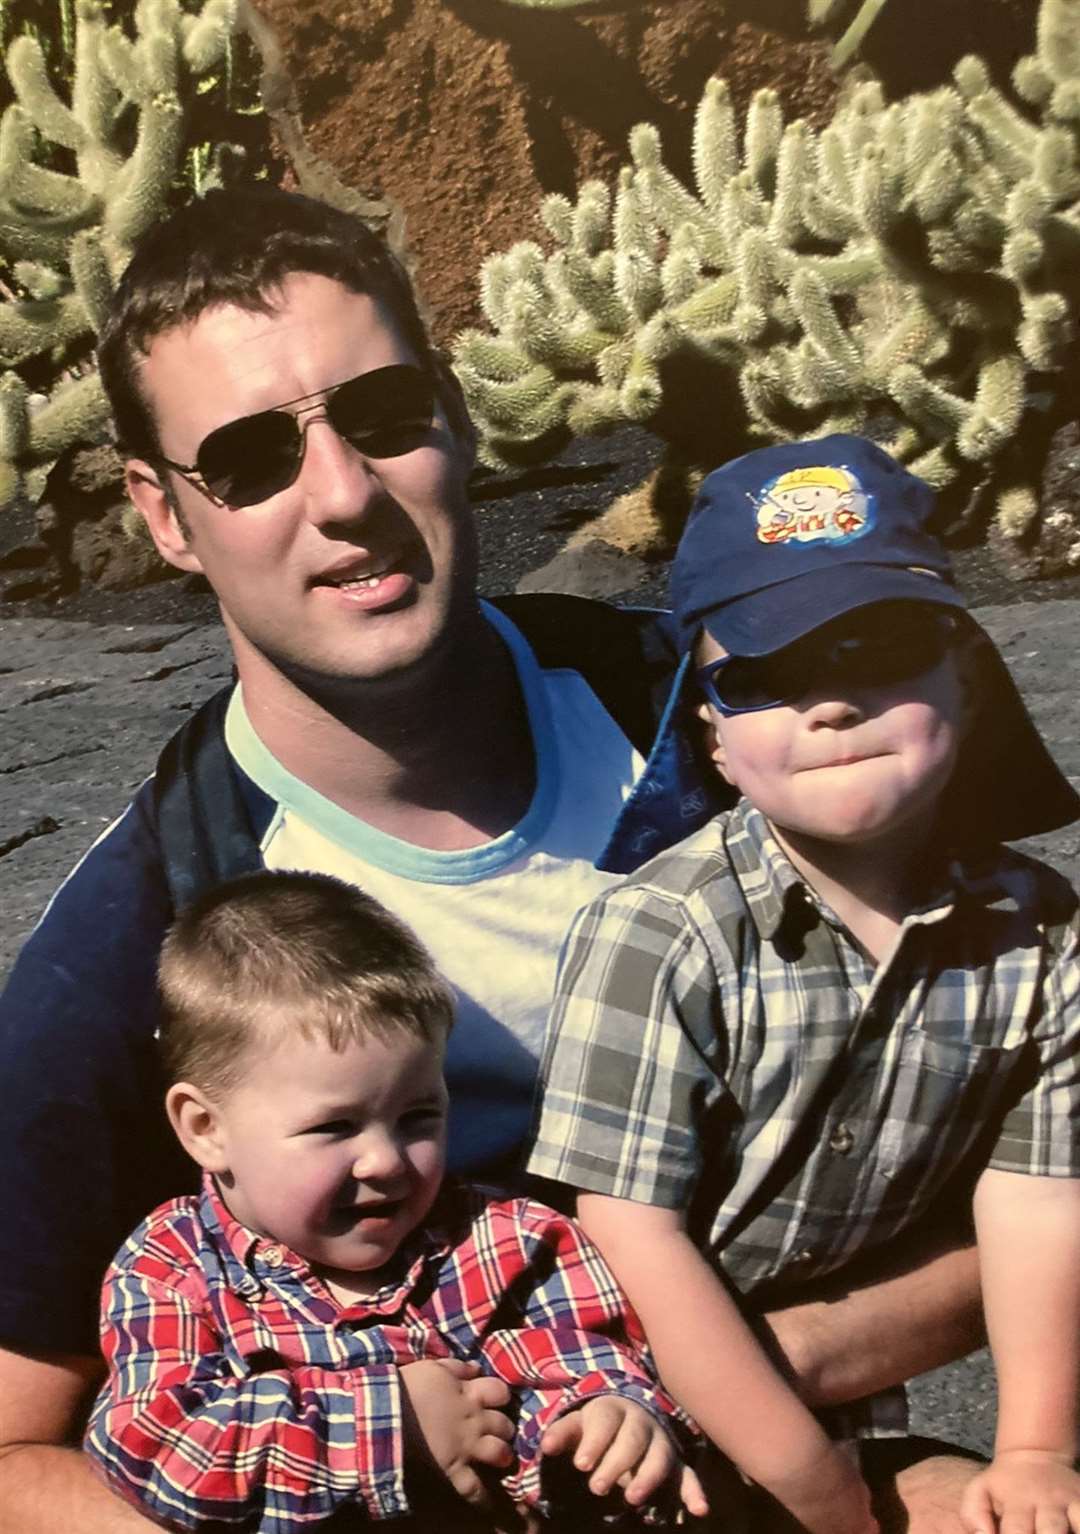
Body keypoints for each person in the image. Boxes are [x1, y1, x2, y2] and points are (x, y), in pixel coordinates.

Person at [0, 186, 1034, 1533]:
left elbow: (1041, 1107)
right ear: (164, 516)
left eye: (380, 417)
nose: (346, 495)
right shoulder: (138, 946)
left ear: (457, 411)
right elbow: (16, 1452)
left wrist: (722, 1395)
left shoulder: (741, 718)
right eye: (251, 458)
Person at [527, 435, 1080, 1534]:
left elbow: (1038, 1198)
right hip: (608, 1408)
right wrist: (816, 1490)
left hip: (842, 1407)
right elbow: (634, 1239)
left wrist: (1034, 1449)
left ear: (966, 677)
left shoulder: (1041, 934)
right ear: (714, 734)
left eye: (881, 647)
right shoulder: (661, 932)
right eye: (770, 673)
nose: (831, 702)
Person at [84, 870, 701, 1531]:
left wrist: (605, 1423)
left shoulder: (510, 1241)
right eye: (334, 1127)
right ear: (207, 1129)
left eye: (418, 1116)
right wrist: (394, 1423)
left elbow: (580, 1360)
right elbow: (156, 1448)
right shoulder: (174, 1268)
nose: (385, 1161)